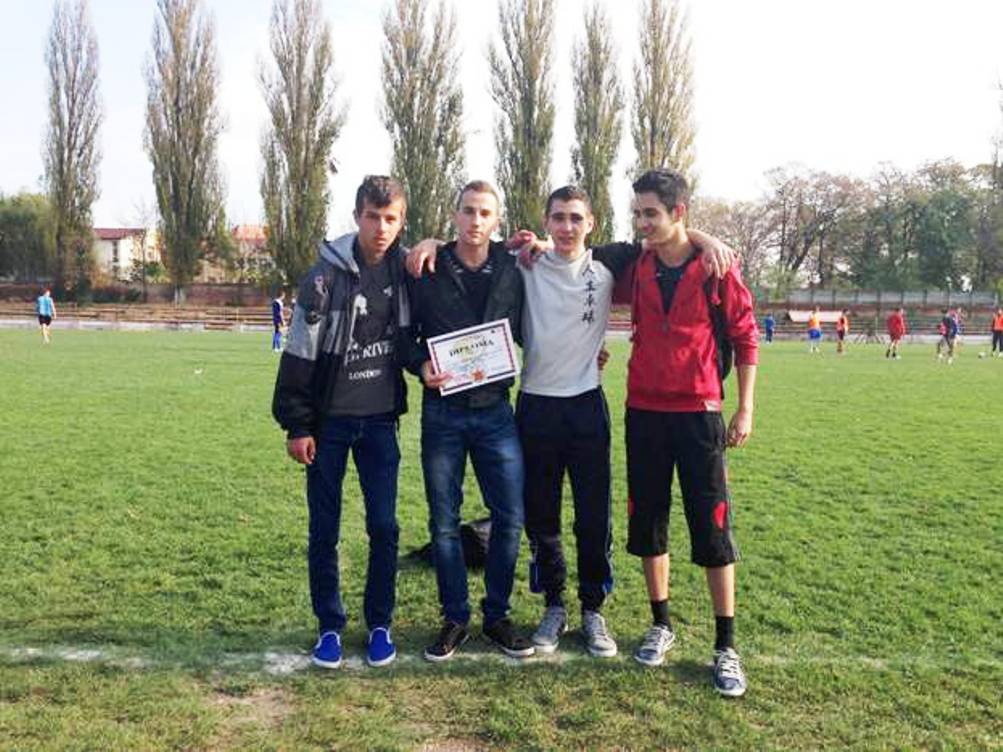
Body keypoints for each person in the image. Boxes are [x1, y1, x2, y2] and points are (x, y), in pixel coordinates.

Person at [407, 190, 736, 660]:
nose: (566, 227)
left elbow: (666, 236)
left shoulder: (610, 263)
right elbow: (473, 244)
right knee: (541, 517)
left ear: (591, 223)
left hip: (586, 406)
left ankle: (593, 608)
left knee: (593, 517)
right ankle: (554, 604)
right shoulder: (524, 263)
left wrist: (707, 238)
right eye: (558, 218)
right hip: (535, 407)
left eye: (575, 218)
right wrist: (431, 243)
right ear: (545, 222)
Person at [621, 168, 758, 698]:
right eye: (637, 213)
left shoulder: (717, 268)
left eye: (651, 213)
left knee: (712, 526)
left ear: (678, 212)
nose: (642, 222)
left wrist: (744, 409)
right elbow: (573, 248)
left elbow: (745, 339)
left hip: (700, 413)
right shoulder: (637, 264)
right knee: (649, 522)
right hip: (643, 411)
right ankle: (661, 624)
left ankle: (726, 646)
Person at [272, 175, 414, 670]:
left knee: (385, 527)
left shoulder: (407, 271)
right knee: (324, 529)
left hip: (380, 422)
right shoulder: (322, 278)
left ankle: (380, 623)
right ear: (357, 217)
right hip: (328, 425)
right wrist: (297, 424)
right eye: (373, 217)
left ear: (401, 221)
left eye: (391, 218)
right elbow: (298, 353)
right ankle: (329, 626)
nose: (381, 228)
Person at [404, 180, 533, 661]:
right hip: (443, 413)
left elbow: (532, 328)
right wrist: (420, 364)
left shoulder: (514, 268)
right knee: (443, 522)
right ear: (454, 214)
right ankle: (454, 617)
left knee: (510, 518)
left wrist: (586, 350)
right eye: (468, 211)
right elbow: (404, 335)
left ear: (497, 220)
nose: (475, 220)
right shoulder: (428, 267)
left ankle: (497, 616)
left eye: (485, 213)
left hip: (496, 411)